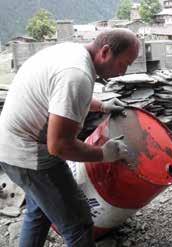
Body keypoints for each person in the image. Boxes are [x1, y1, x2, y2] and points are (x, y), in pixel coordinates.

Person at [0, 29, 140, 247]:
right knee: (78, 225)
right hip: (30, 157)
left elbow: (62, 98)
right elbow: (59, 146)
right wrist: (104, 153)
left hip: (9, 147)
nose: (123, 72)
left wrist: (102, 105)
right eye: (124, 63)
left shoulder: (72, 52)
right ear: (105, 52)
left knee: (39, 209)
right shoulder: (77, 74)